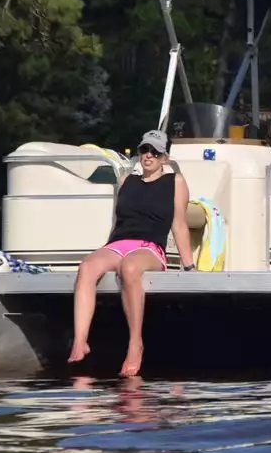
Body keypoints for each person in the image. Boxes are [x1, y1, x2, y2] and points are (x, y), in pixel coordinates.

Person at [68, 129, 196, 377]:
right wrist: (104, 252)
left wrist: (189, 266)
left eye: (155, 152)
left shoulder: (175, 182)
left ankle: (135, 343)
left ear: (164, 158)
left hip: (149, 246)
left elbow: (179, 224)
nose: (148, 156)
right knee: (87, 267)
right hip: (119, 242)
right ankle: (80, 340)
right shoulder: (127, 180)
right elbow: (119, 221)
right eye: (144, 150)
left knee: (129, 268)